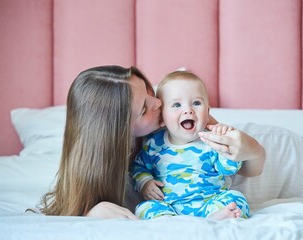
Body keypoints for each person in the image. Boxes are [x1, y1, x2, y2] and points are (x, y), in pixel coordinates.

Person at [39, 65, 265, 219]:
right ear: (120, 131)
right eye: (145, 109)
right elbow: (71, 205)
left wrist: (251, 149)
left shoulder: (190, 120)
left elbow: (246, 166)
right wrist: (90, 212)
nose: (158, 104)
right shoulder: (106, 160)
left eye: (150, 91)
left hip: (261, 157)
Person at [131, 70, 266, 220]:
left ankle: (216, 218)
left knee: (235, 199)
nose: (188, 110)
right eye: (176, 105)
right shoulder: (154, 143)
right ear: (162, 116)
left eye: (196, 103)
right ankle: (168, 222)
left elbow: (229, 169)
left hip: (209, 203)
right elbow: (139, 166)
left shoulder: (211, 140)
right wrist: (145, 182)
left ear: (207, 112)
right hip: (168, 205)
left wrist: (226, 143)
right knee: (144, 208)